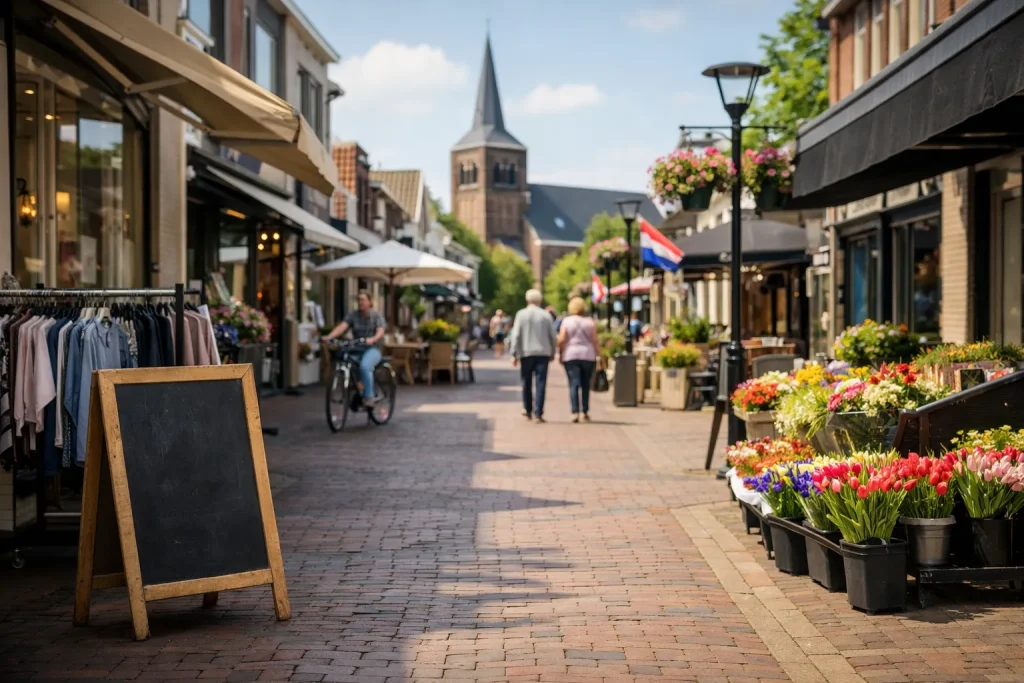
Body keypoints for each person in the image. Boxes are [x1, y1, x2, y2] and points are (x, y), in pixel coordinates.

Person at [321, 290, 386, 407]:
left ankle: (369, 397)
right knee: (345, 360)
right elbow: (343, 326)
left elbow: (380, 331)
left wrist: (373, 338)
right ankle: (356, 387)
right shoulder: (353, 315)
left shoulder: (376, 315)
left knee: (365, 366)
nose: (360, 302)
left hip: (372, 349)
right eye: (359, 300)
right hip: (356, 348)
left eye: (363, 300)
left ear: (369, 302)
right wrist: (329, 336)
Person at [508, 289, 557, 423]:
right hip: (543, 353)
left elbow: (516, 335)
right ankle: (538, 412)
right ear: (540, 300)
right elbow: (553, 336)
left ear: (527, 300)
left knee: (526, 382)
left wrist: (514, 353)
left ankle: (527, 408)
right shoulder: (545, 315)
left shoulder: (521, 314)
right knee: (541, 383)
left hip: (526, 353)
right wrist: (553, 352)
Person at [558, 296, 600, 423]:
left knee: (573, 384)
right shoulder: (589, 322)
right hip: (588, 355)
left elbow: (561, 339)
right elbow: (595, 340)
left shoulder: (566, 321)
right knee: (586, 384)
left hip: (570, 355)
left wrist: (560, 353)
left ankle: (575, 411)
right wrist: (600, 355)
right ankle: (585, 411)